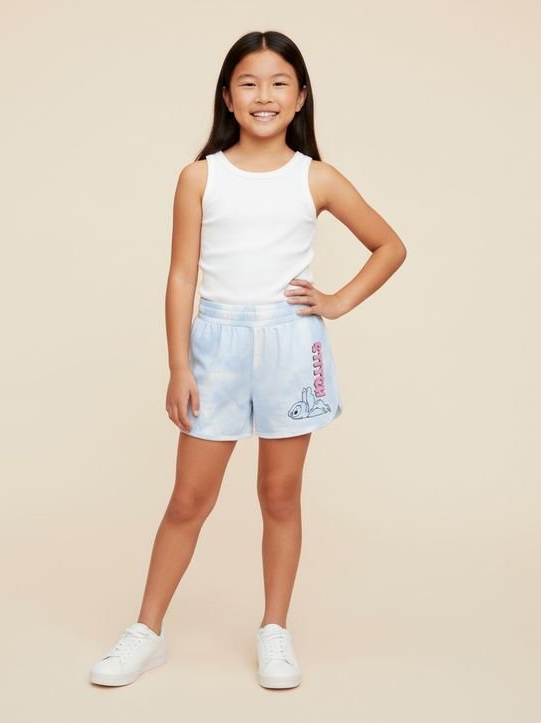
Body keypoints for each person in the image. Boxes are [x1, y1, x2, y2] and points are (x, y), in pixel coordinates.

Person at [89, 29, 406, 690]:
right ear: (228, 97)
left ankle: (274, 630)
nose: (265, 95)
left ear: (301, 97)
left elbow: (389, 245)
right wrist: (180, 365)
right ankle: (147, 631)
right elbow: (182, 275)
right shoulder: (200, 177)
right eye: (249, 83)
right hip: (218, 346)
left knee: (279, 494)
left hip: (292, 345)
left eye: (279, 83)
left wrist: (337, 302)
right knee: (189, 498)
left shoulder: (316, 177)